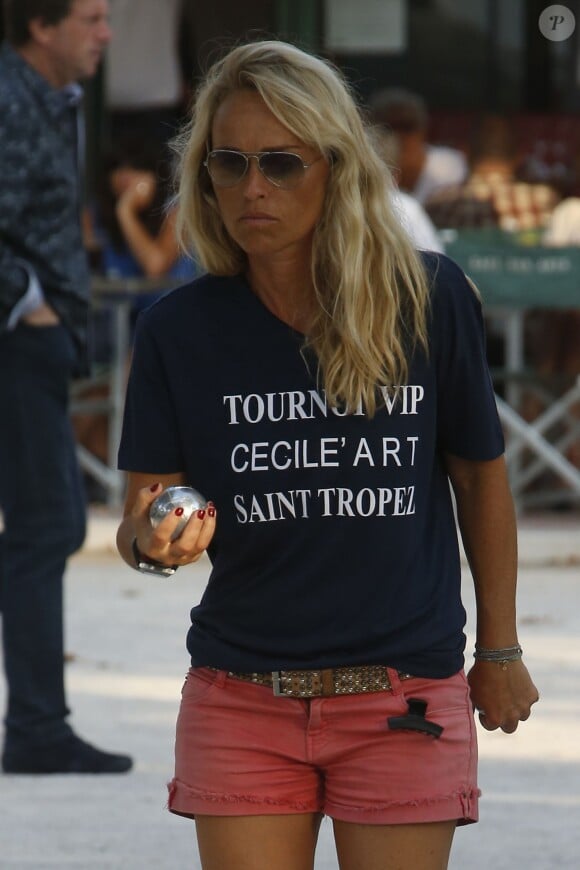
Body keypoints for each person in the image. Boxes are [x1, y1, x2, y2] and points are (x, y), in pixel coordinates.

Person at [116, 41, 538, 869]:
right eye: (227, 164)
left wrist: (500, 649)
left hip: (403, 698)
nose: (253, 188)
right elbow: (141, 515)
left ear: (336, 168)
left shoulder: (428, 297)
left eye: (280, 162)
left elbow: (481, 480)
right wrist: (155, 543)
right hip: (241, 701)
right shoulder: (178, 330)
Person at [0, 0, 132, 774]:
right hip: (19, 341)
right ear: (41, 27)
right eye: (90, 17)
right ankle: (39, 728)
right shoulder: (11, 100)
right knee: (47, 528)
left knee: (43, 529)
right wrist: (27, 300)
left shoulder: (49, 100)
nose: (106, 33)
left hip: (34, 342)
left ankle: (40, 725)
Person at [368, 87, 468, 204]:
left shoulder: (448, 165)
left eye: (407, 126)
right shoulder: (363, 170)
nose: (399, 136)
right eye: (388, 127)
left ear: (423, 130)